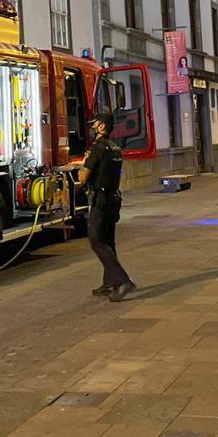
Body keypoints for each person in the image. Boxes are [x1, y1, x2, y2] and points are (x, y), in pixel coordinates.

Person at [77, 111, 134, 302]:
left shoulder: (97, 148)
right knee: (108, 241)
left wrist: (84, 164)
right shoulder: (115, 148)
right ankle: (110, 282)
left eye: (95, 124)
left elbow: (83, 177)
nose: (92, 128)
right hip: (114, 199)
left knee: (96, 240)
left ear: (102, 126)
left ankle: (123, 281)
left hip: (100, 200)